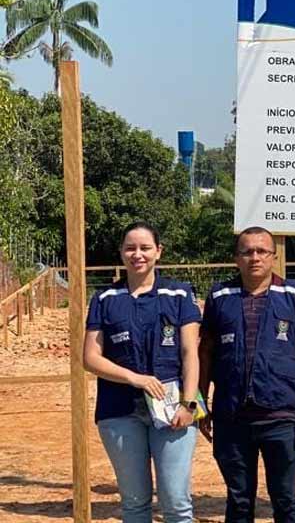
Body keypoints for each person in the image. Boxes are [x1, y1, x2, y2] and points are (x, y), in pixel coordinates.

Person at [197, 226, 295, 522]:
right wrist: (200, 405)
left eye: (262, 251)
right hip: (231, 416)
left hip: (279, 415)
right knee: (239, 500)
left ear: (273, 256)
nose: (255, 257)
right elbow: (205, 353)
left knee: (285, 498)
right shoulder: (219, 295)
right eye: (247, 251)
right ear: (236, 258)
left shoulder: (293, 294)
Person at [82, 222, 201, 523]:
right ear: (121, 253)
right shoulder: (105, 299)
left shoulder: (179, 294)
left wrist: (189, 405)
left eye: (145, 247)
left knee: (176, 503)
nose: (138, 254)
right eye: (130, 248)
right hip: (119, 411)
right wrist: (135, 378)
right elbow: (90, 358)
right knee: (134, 503)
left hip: (173, 411)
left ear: (158, 252)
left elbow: (190, 353)